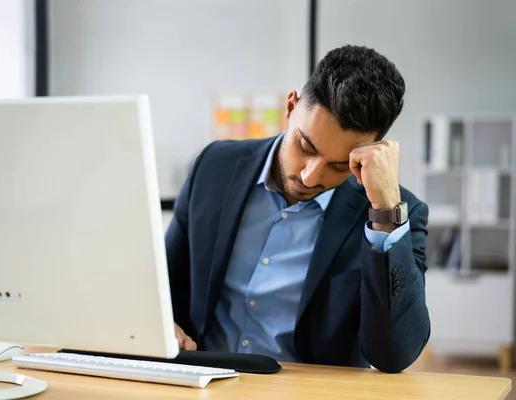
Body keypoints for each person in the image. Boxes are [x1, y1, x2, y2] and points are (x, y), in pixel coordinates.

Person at [165, 45, 430, 373]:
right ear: (290, 107)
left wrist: (386, 210)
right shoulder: (214, 166)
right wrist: (165, 326)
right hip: (201, 383)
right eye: (306, 147)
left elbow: (394, 355)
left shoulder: (395, 212)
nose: (310, 176)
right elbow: (164, 282)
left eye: (338, 166)